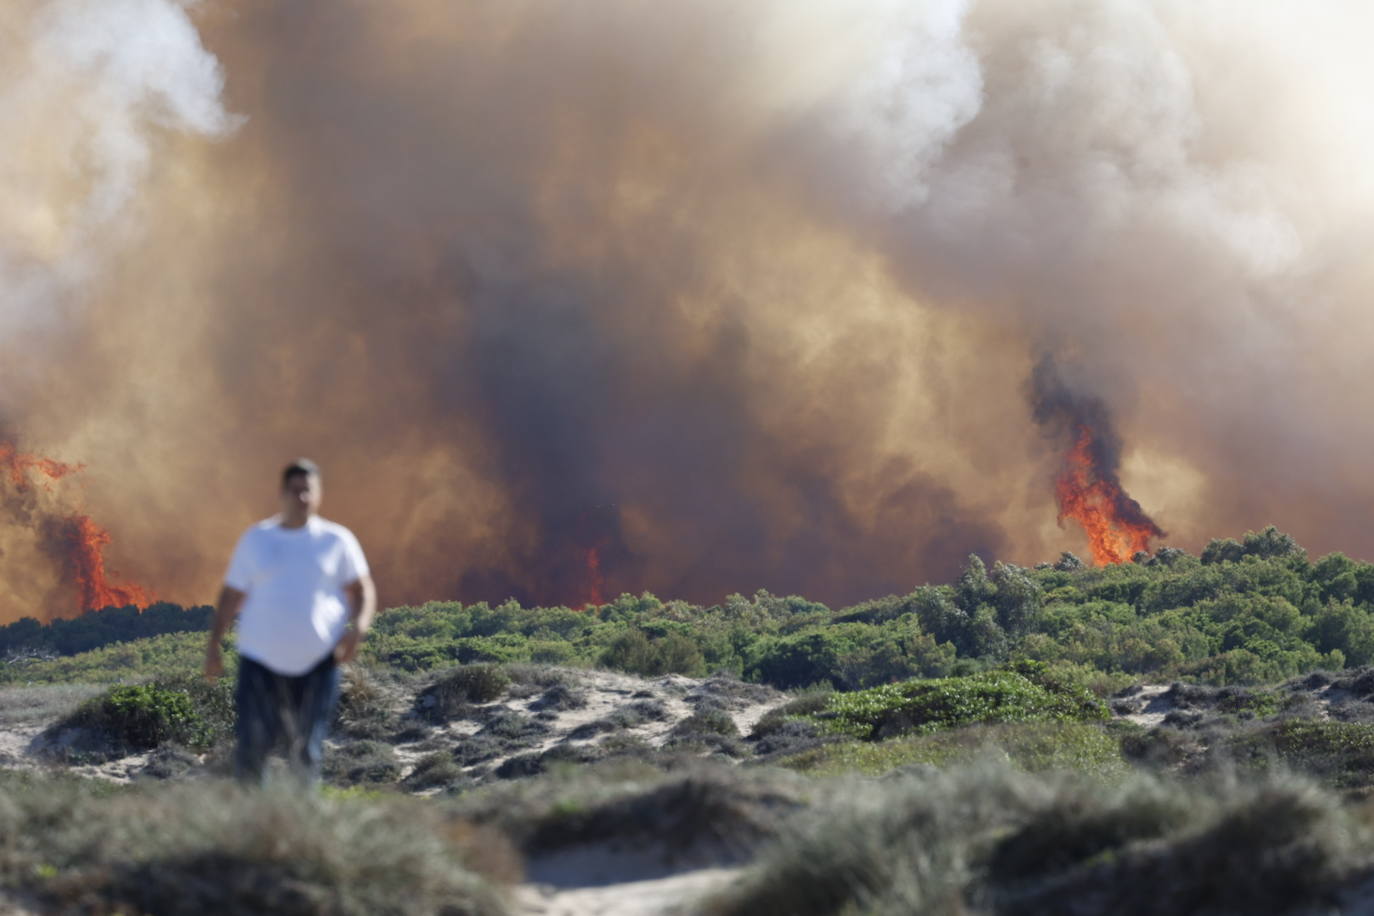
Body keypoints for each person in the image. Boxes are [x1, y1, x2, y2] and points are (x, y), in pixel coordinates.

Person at [204, 458, 376, 785]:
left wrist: (358, 629)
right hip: (259, 661)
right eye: (294, 491)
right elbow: (231, 595)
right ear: (281, 494)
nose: (301, 499)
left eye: (307, 491)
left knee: (307, 751)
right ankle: (250, 828)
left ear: (318, 494)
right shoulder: (257, 539)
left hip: (318, 664)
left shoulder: (337, 541)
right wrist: (213, 646)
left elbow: (362, 588)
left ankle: (301, 828)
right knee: (253, 747)